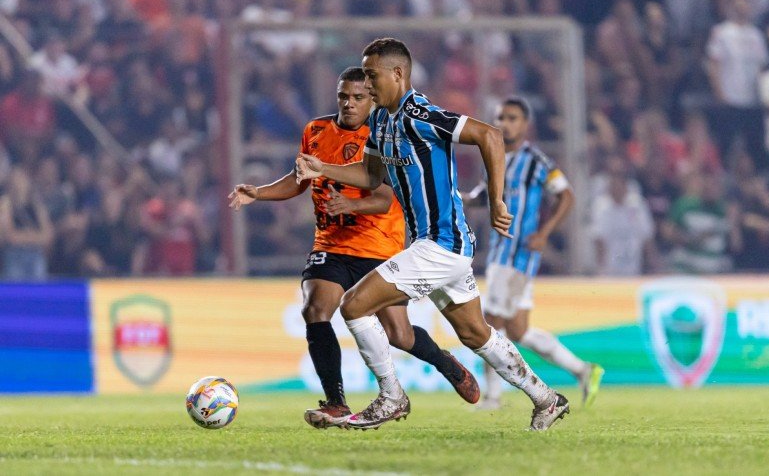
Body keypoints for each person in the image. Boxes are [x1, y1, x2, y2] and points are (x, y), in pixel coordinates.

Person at [296, 38, 569, 431]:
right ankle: (546, 399)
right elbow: (371, 176)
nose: (368, 85)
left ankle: (391, 397)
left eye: (372, 76)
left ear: (397, 74)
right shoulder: (382, 121)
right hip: (439, 246)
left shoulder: (418, 113)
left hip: (441, 244)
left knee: (354, 305)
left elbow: (489, 136)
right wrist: (321, 166)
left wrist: (496, 200)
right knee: (476, 333)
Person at [229, 67, 479, 429]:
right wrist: (260, 192)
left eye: (358, 97)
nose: (348, 103)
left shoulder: (385, 134)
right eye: (343, 96)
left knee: (399, 334)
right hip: (331, 245)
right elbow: (300, 180)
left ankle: (445, 362)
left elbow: (384, 198)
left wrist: (351, 205)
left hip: (379, 245)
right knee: (315, 307)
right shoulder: (315, 130)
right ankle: (335, 402)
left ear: (373, 99)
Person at [464, 98, 603, 410]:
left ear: (525, 124)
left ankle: (493, 397)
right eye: (501, 117)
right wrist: (456, 198)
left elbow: (566, 195)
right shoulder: (495, 158)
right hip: (503, 251)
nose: (505, 123)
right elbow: (482, 196)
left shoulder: (536, 160)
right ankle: (583, 370)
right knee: (518, 330)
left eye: (512, 118)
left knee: (489, 325)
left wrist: (544, 232)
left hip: (516, 254)